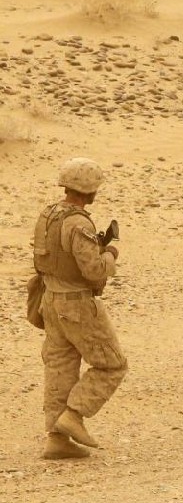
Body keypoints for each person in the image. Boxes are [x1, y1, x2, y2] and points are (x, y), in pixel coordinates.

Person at [32, 157, 127, 459]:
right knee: (112, 364)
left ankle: (56, 439)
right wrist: (110, 252)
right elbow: (95, 270)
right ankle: (74, 415)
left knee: (60, 368)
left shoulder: (48, 215)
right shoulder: (79, 223)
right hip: (76, 305)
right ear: (90, 192)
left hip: (51, 301)